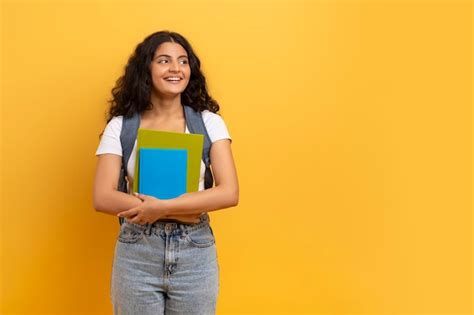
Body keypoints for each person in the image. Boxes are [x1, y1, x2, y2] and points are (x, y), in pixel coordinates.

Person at [93, 30, 239, 314]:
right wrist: (179, 209)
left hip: (195, 251)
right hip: (137, 251)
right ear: (146, 69)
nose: (176, 69)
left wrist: (160, 208)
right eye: (164, 60)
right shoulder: (121, 126)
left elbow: (229, 192)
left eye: (183, 61)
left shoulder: (210, 123)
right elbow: (102, 197)